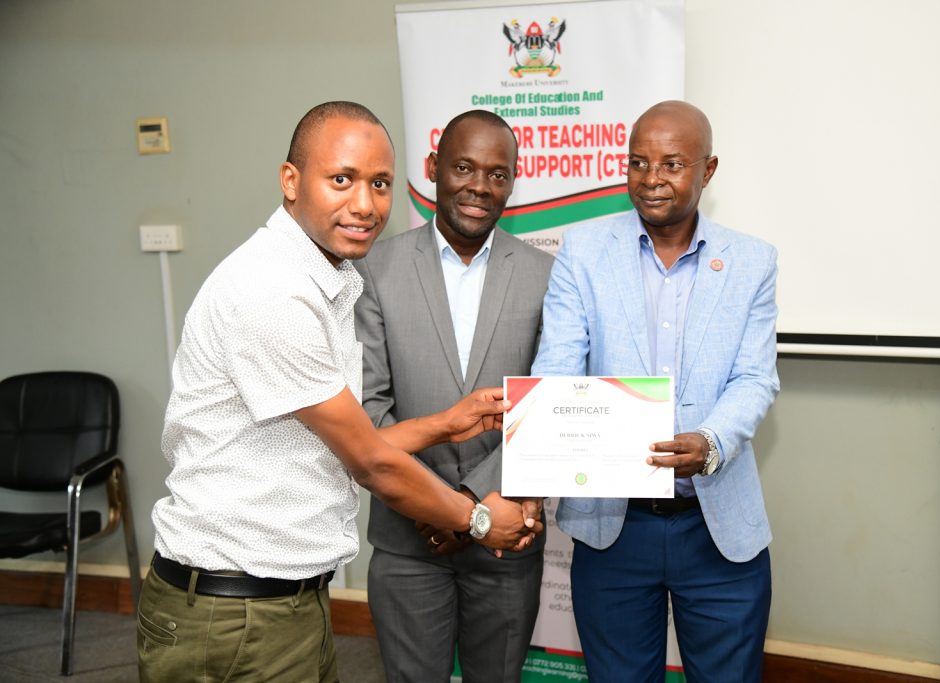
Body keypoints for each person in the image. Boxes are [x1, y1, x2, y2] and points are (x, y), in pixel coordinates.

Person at [137, 101, 535, 683]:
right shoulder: (273, 292)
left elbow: (343, 440)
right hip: (235, 612)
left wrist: (445, 423)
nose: (365, 205)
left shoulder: (329, 278)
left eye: (378, 184)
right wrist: (475, 519)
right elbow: (370, 461)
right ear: (291, 181)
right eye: (341, 180)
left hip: (282, 599)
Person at [530, 100, 780, 683]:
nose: (651, 179)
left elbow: (754, 377)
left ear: (707, 169)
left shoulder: (752, 262)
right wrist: (535, 460)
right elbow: (558, 369)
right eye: (638, 162)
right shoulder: (584, 252)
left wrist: (712, 442)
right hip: (613, 528)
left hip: (716, 527)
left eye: (671, 164)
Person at [354, 110, 554, 683]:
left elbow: (547, 406)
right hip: (406, 540)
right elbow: (368, 408)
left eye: (497, 173)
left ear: (513, 182)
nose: (479, 187)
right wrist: (436, 505)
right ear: (434, 168)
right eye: (464, 167)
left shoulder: (545, 274)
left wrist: (468, 506)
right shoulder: (374, 267)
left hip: (506, 540)